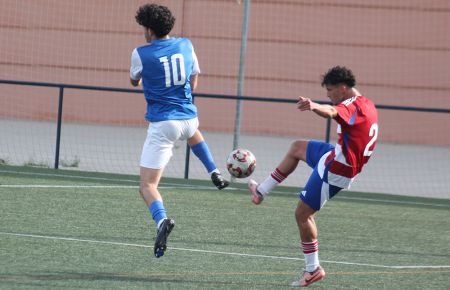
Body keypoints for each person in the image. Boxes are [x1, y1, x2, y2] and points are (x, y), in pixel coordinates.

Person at [248, 66, 378, 287]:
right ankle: (261, 191)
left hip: (337, 169)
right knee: (297, 147)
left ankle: (313, 269)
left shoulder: (349, 105)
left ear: (343, 88)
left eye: (330, 90)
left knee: (303, 214)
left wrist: (314, 106)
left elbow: (332, 112)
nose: (328, 95)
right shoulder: (366, 102)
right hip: (337, 155)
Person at [130, 3, 229, 258]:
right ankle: (215, 172)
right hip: (189, 116)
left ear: (149, 29)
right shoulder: (186, 44)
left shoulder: (141, 53)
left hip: (164, 123)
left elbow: (134, 80)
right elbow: (193, 78)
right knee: (193, 134)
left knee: (147, 185)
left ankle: (162, 221)